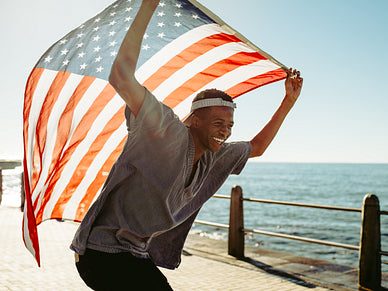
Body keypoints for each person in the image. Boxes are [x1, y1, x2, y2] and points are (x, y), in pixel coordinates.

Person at [70, 0, 303, 290]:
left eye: (230, 126)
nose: (225, 132)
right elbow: (120, 76)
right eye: (218, 123)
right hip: (101, 251)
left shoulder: (216, 156)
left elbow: (257, 147)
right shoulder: (164, 129)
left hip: (136, 255)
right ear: (193, 120)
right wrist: (148, 6)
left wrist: (288, 101)